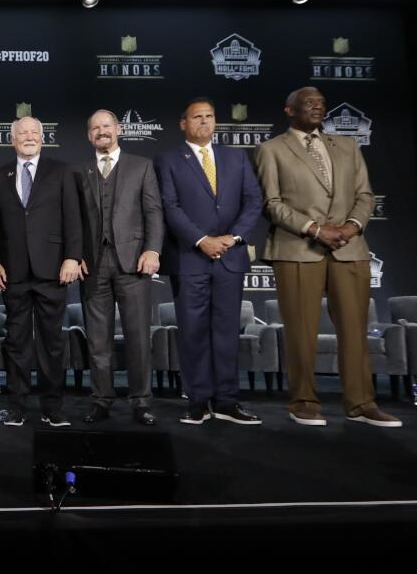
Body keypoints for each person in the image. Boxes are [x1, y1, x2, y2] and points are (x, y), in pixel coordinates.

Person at [253, 86, 400, 427]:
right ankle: (303, 400)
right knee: (300, 332)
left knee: (354, 330)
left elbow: (365, 194)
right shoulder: (271, 149)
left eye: (321, 102)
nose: (317, 106)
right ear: (289, 110)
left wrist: (350, 227)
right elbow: (271, 204)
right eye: (308, 102)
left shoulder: (348, 146)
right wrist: (315, 230)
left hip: (350, 249)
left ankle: (362, 403)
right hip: (297, 249)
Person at [155, 98, 262, 425]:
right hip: (190, 258)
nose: (204, 122)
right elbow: (170, 207)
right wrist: (202, 240)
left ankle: (228, 401)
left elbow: (253, 201)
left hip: (230, 256)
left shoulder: (236, 157)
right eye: (197, 117)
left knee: (227, 332)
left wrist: (233, 237)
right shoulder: (168, 160)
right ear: (183, 124)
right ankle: (198, 401)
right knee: (194, 333)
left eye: (209, 116)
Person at [0, 116, 83, 428]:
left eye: (34, 133)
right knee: (16, 341)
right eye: (22, 133)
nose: (29, 137)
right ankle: (16, 407)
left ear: (43, 138)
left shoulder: (62, 171)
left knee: (51, 343)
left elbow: (74, 218)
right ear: (12, 140)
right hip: (12, 270)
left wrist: (72, 257)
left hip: (53, 269)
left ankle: (52, 407)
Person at [73, 109, 164, 426]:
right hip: (93, 265)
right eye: (95, 127)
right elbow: (73, 221)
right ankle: (101, 400)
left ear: (119, 129)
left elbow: (154, 212)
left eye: (107, 126)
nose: (102, 131)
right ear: (89, 135)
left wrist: (152, 250)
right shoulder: (80, 171)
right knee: (98, 341)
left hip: (133, 263)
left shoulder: (142, 166)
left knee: (138, 337)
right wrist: (75, 253)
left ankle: (141, 401)